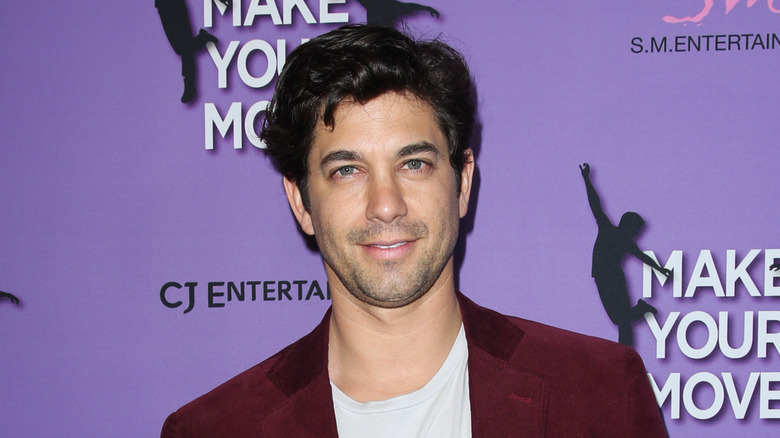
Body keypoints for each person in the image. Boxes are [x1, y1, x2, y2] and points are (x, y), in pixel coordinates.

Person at [161, 25, 667, 437]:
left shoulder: (601, 394)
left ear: (462, 182)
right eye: (346, 171)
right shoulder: (216, 429)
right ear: (302, 202)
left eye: (414, 165)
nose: (386, 205)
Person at [580, 163, 672, 347]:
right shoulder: (608, 230)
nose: (636, 234)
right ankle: (641, 309)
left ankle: (625, 351)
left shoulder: (625, 241)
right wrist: (587, 179)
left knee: (622, 321)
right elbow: (595, 205)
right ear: (628, 226)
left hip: (612, 279)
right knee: (618, 319)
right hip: (603, 278)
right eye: (636, 230)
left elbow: (643, 257)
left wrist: (660, 269)